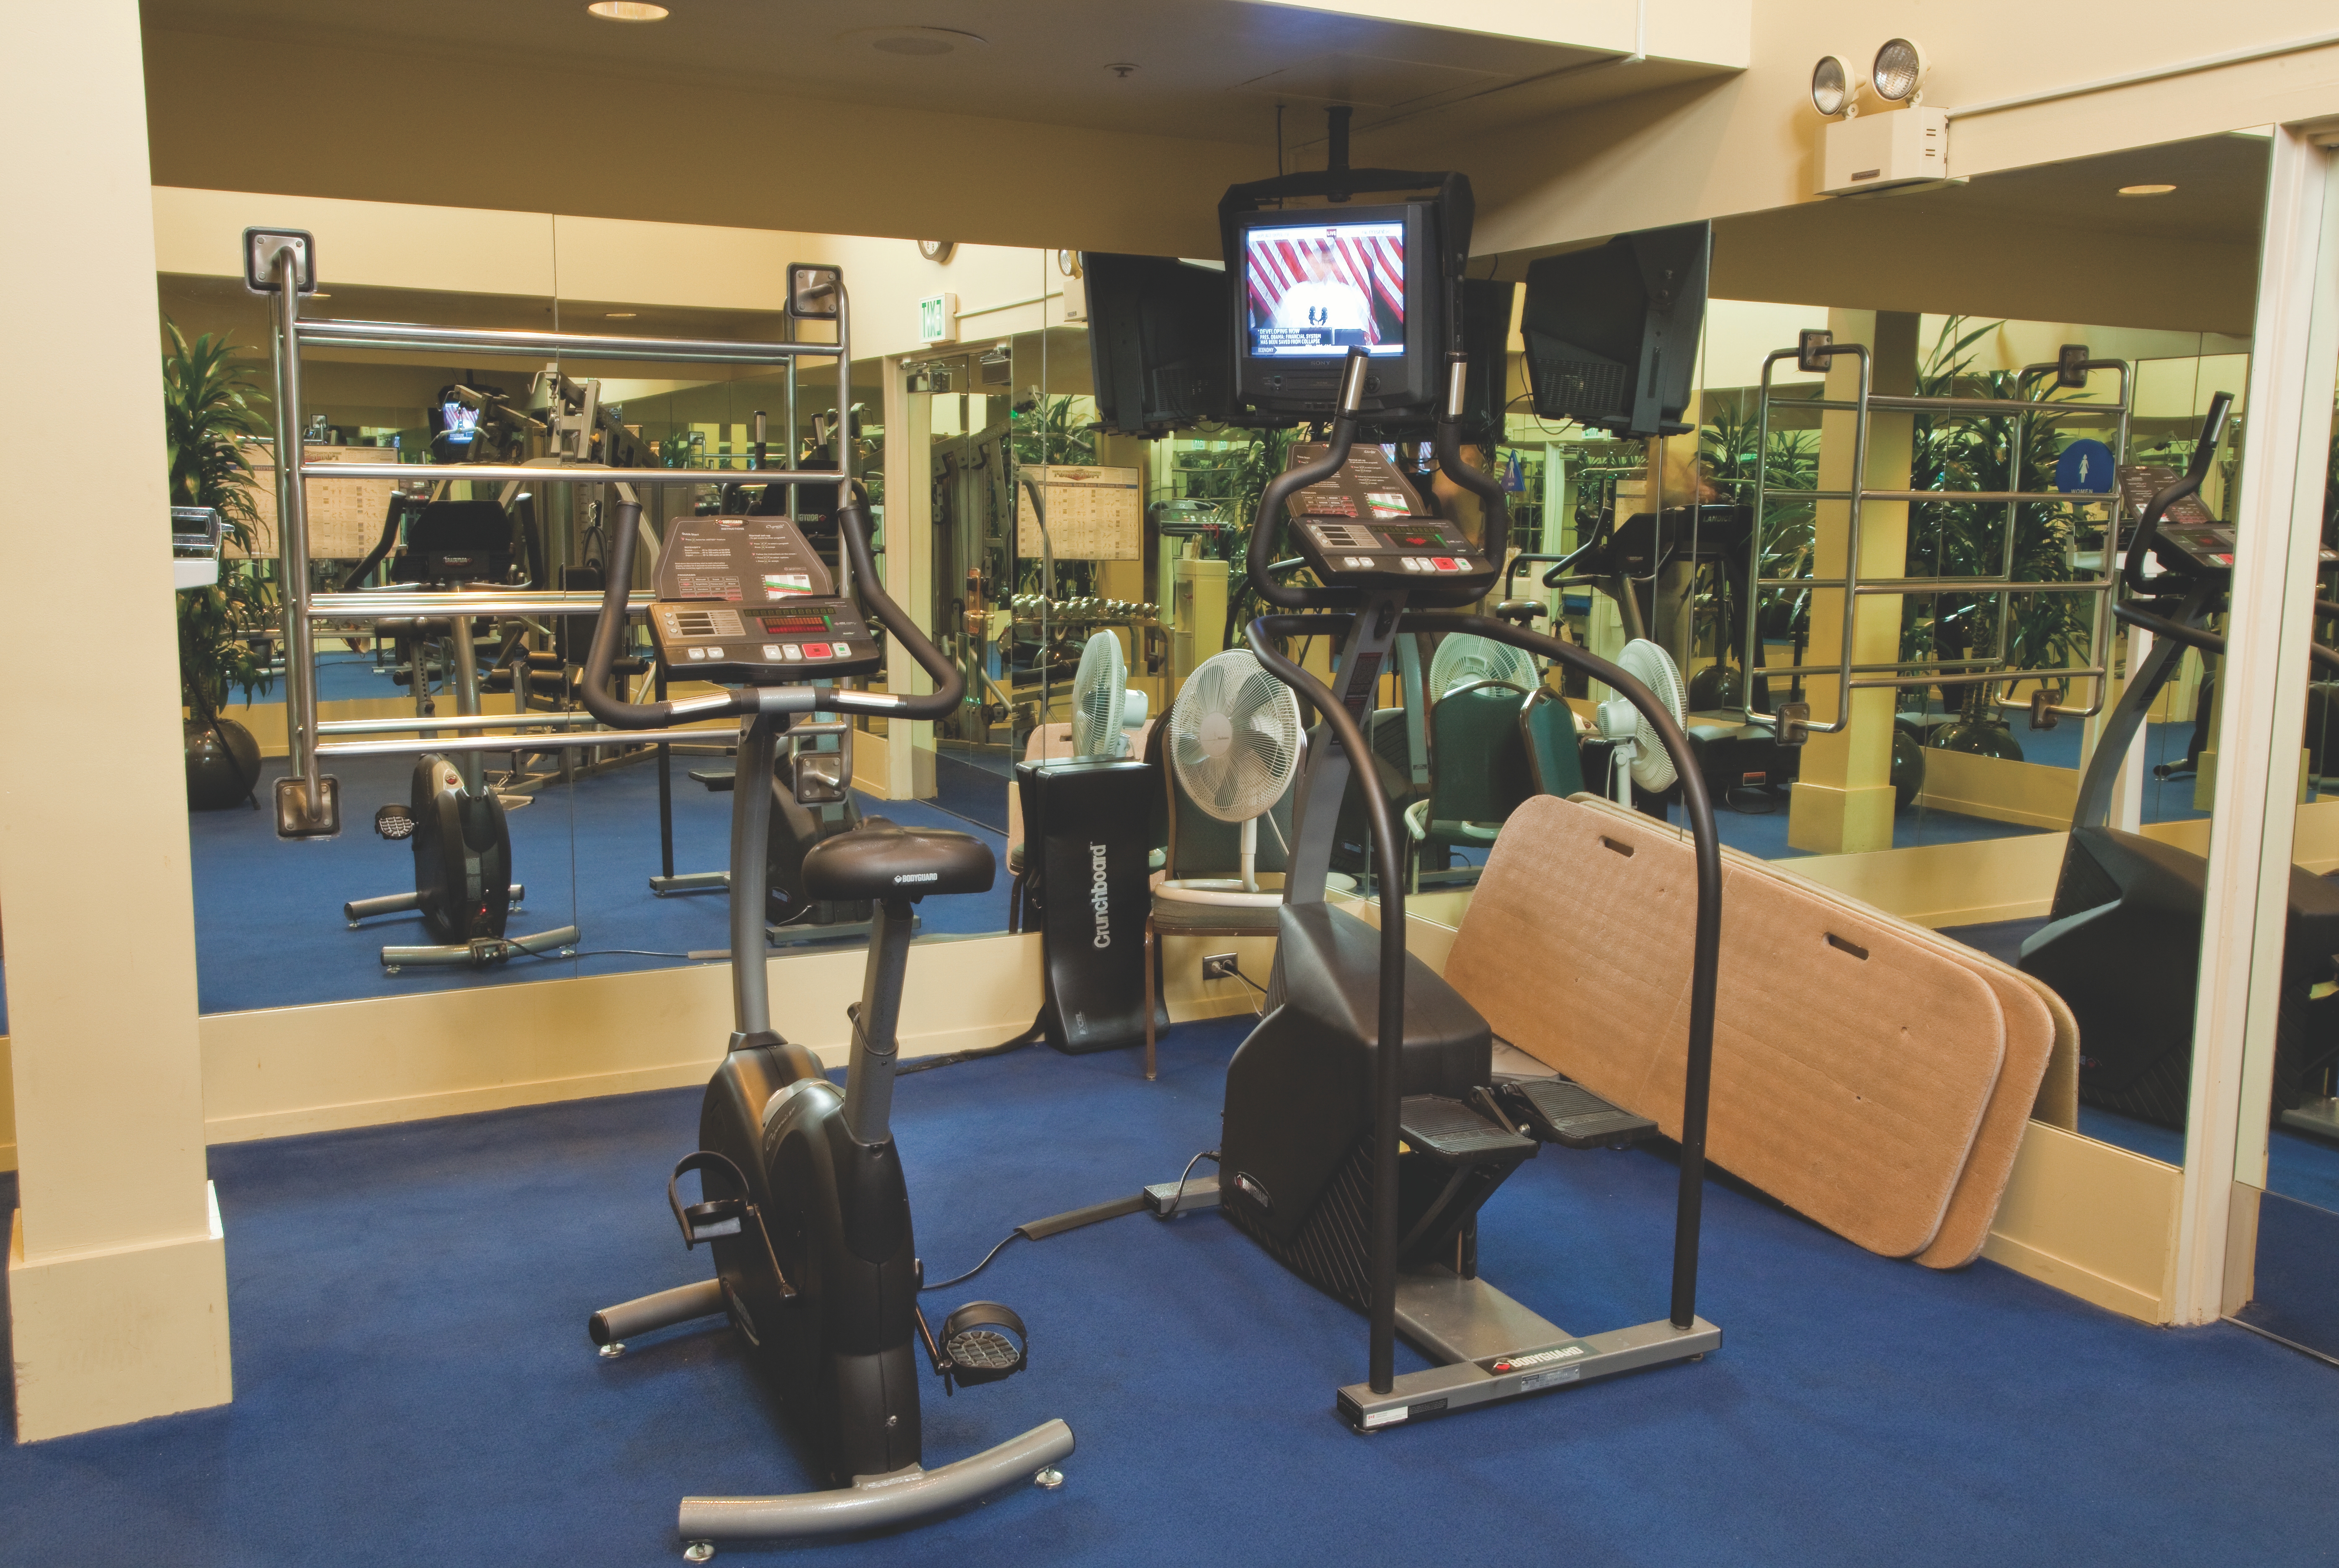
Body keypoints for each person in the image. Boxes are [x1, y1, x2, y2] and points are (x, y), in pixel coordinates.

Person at [1270, 242, 1372, 346]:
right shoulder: (1293, 295)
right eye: (1310, 263)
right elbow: (1278, 337)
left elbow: (1357, 339)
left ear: (1328, 266)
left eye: (1316, 264)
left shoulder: (1347, 295)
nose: (1310, 268)